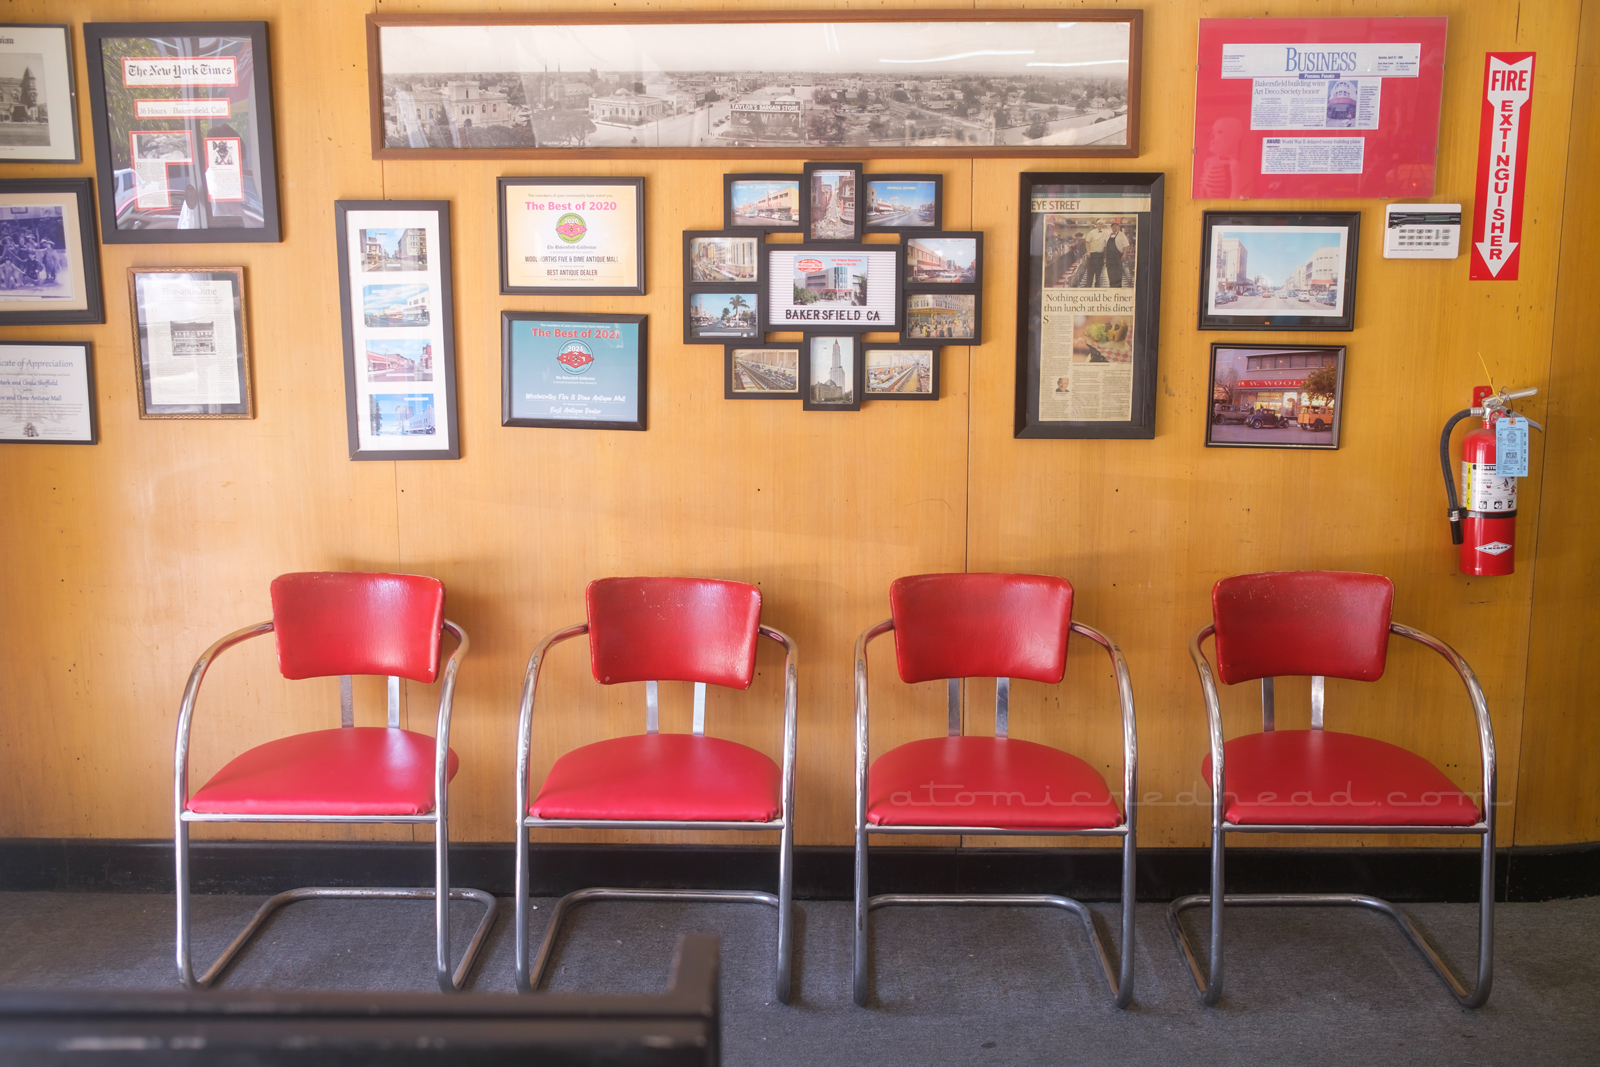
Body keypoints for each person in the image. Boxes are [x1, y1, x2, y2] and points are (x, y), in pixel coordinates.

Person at [1082, 222, 1110, 287]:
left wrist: (1105, 255)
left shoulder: (1105, 233)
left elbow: (1106, 244)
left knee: (1099, 271)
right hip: (1092, 254)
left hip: (1100, 254)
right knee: (1090, 271)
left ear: (1102, 225)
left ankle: (1097, 285)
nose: (1100, 225)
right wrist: (1088, 251)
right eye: (1099, 224)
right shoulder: (1091, 232)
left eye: (1101, 224)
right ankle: (1088, 285)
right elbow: (1087, 242)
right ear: (1096, 225)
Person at [1106, 220, 1130, 288]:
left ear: (1118, 227)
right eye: (1113, 226)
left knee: (1118, 271)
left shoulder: (1122, 235)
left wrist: (1124, 254)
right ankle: (1111, 284)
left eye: (1116, 226)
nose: (1114, 227)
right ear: (1111, 227)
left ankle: (1118, 285)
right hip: (1109, 257)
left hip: (1118, 256)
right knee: (1110, 271)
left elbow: (1126, 245)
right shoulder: (1109, 235)